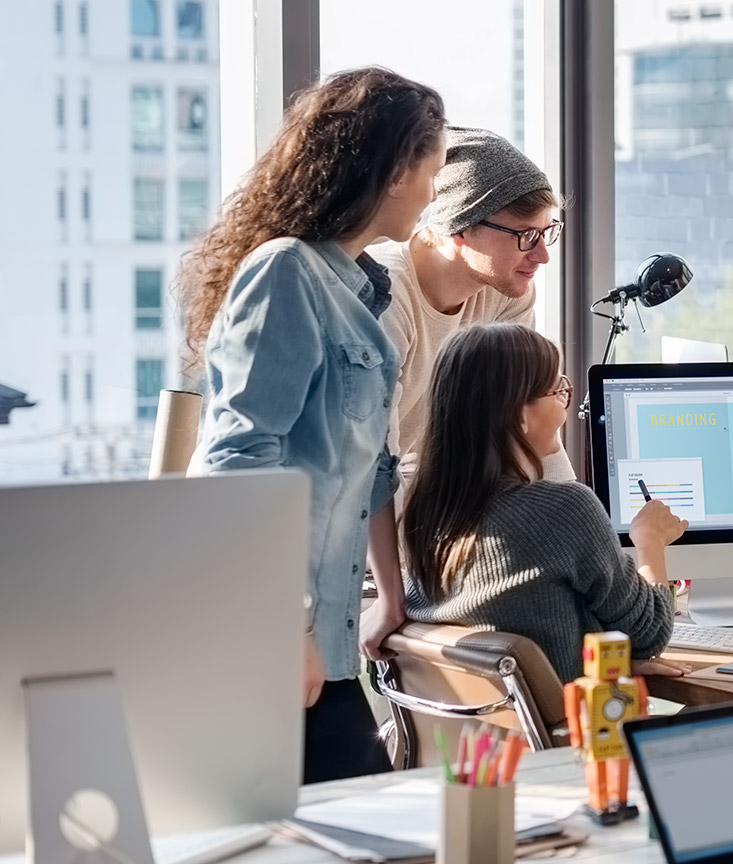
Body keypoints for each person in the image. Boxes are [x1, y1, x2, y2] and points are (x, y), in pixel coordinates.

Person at [180, 67, 446, 783]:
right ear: (396, 171)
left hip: (326, 643)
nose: (433, 191)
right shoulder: (286, 273)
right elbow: (237, 462)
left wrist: (391, 598)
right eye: (433, 169)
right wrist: (282, 626)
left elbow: (376, 469)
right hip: (270, 639)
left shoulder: (366, 291)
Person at [359, 127, 572, 660]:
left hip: (425, 510)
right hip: (343, 522)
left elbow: (536, 423)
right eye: (526, 235)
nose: (542, 255)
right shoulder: (386, 297)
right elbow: (369, 463)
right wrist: (391, 592)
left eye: (550, 232)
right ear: (457, 229)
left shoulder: (506, 294)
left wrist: (579, 535)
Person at [400, 322, 686, 683]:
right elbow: (650, 634)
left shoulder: (425, 516)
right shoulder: (565, 510)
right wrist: (650, 542)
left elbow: (524, 618)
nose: (565, 405)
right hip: (564, 738)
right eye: (558, 391)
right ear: (521, 417)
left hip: (482, 738)